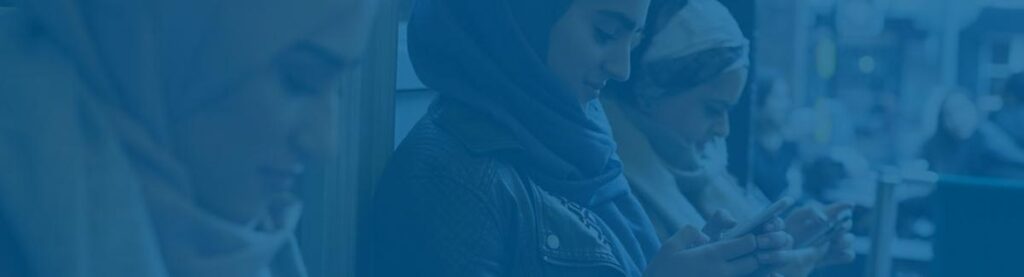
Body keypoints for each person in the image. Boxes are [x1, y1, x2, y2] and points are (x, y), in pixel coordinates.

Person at [370, 0, 791, 276]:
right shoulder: (450, 179)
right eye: (606, 33)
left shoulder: (578, 140)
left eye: (634, 40)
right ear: (526, 15)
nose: (623, 67)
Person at [0, 0, 376, 276]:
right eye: (299, 80)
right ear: (167, 38)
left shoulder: (245, 243)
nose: (326, 143)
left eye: (336, 89)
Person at [600, 0, 855, 275]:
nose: (723, 129)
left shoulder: (710, 171)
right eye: (712, 109)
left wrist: (785, 246)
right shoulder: (606, 185)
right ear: (652, 92)